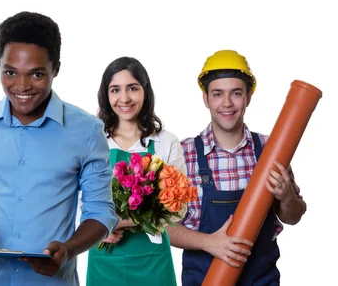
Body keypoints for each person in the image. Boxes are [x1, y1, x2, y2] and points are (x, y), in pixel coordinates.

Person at [0, 11, 118, 286]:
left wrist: (68, 250)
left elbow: (100, 212)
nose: (21, 86)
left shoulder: (86, 131)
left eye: (36, 74)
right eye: (10, 72)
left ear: (56, 68)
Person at [167, 50, 307, 285]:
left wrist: (287, 196)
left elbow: (293, 216)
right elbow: (164, 227)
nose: (227, 103)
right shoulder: (184, 154)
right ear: (206, 98)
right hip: (204, 279)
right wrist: (208, 242)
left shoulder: (271, 149)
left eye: (236, 93)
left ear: (248, 97)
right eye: (218, 94)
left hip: (261, 279)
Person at [86, 57, 185, 286]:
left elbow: (179, 208)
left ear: (145, 91)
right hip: (105, 259)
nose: (125, 98)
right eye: (115, 90)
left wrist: (120, 221)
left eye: (133, 88)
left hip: (152, 260)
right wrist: (100, 230)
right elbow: (80, 202)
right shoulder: (92, 142)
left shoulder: (166, 143)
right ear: (105, 95)